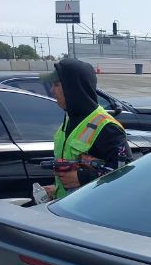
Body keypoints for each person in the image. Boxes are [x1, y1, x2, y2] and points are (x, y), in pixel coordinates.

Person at [40, 59, 131, 200]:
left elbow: (124, 172)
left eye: (56, 85)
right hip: (68, 206)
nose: (52, 91)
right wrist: (57, 189)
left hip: (91, 211)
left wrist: (83, 178)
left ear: (73, 89)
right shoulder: (70, 119)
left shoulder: (107, 127)